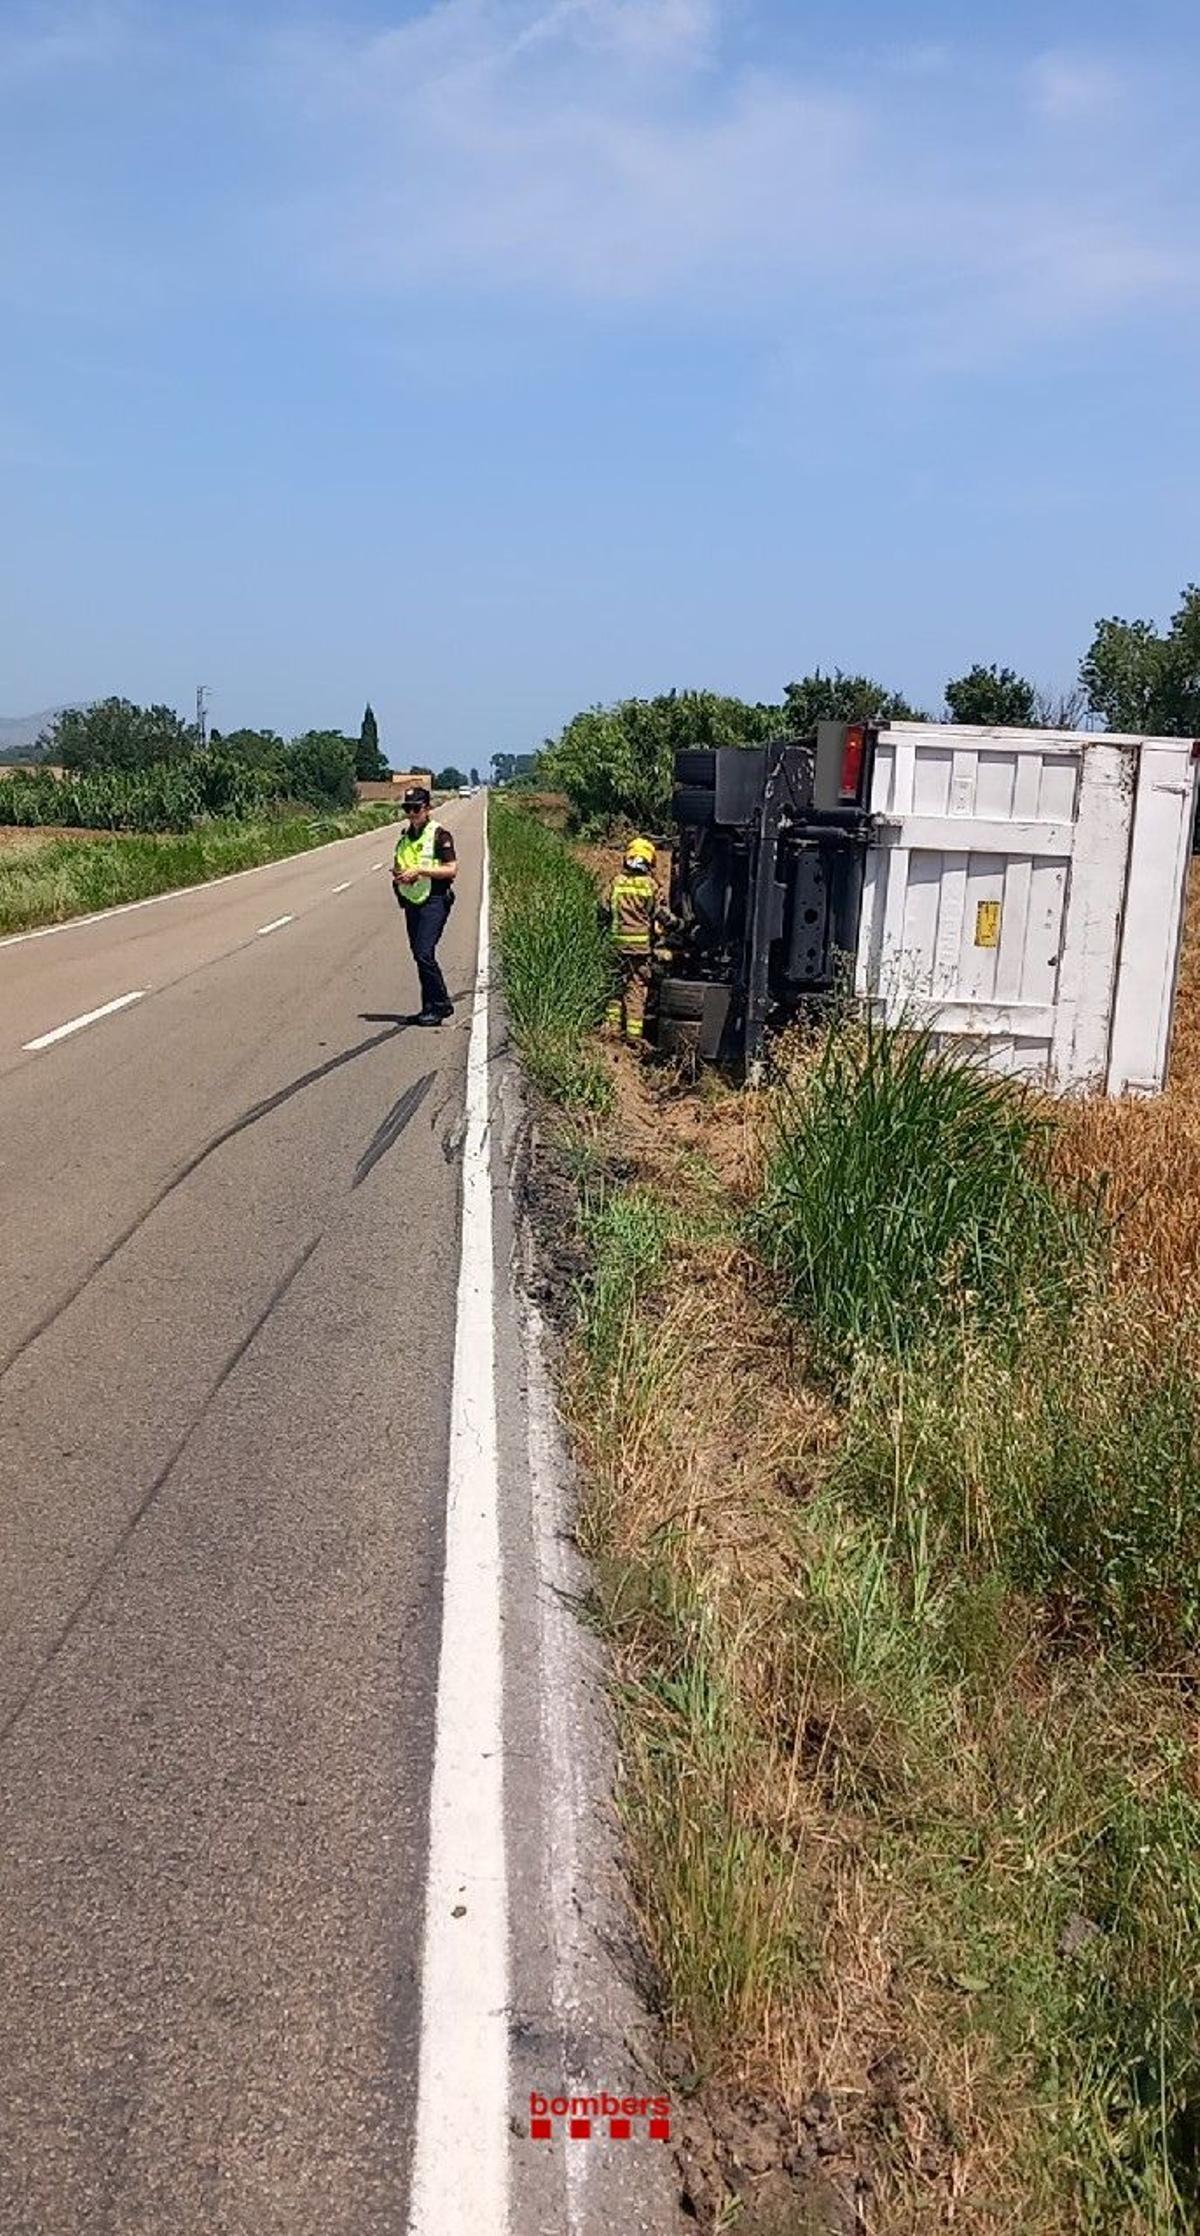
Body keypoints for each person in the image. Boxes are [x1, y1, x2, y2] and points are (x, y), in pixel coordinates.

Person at [392, 785, 457, 1024]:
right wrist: (400, 875)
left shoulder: (440, 835)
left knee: (424, 953)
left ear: (427, 808)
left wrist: (420, 870)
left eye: (416, 808)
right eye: (407, 809)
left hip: (435, 899)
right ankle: (428, 1008)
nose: (411, 813)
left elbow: (452, 869)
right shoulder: (405, 838)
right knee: (419, 955)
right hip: (412, 900)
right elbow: (401, 863)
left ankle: (441, 1005)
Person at [601, 835, 662, 1047]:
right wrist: (680, 926)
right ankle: (634, 1037)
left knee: (615, 986)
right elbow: (661, 915)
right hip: (640, 949)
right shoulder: (650, 886)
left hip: (616, 945)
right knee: (636, 988)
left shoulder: (616, 883)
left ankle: (611, 1029)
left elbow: (603, 909)